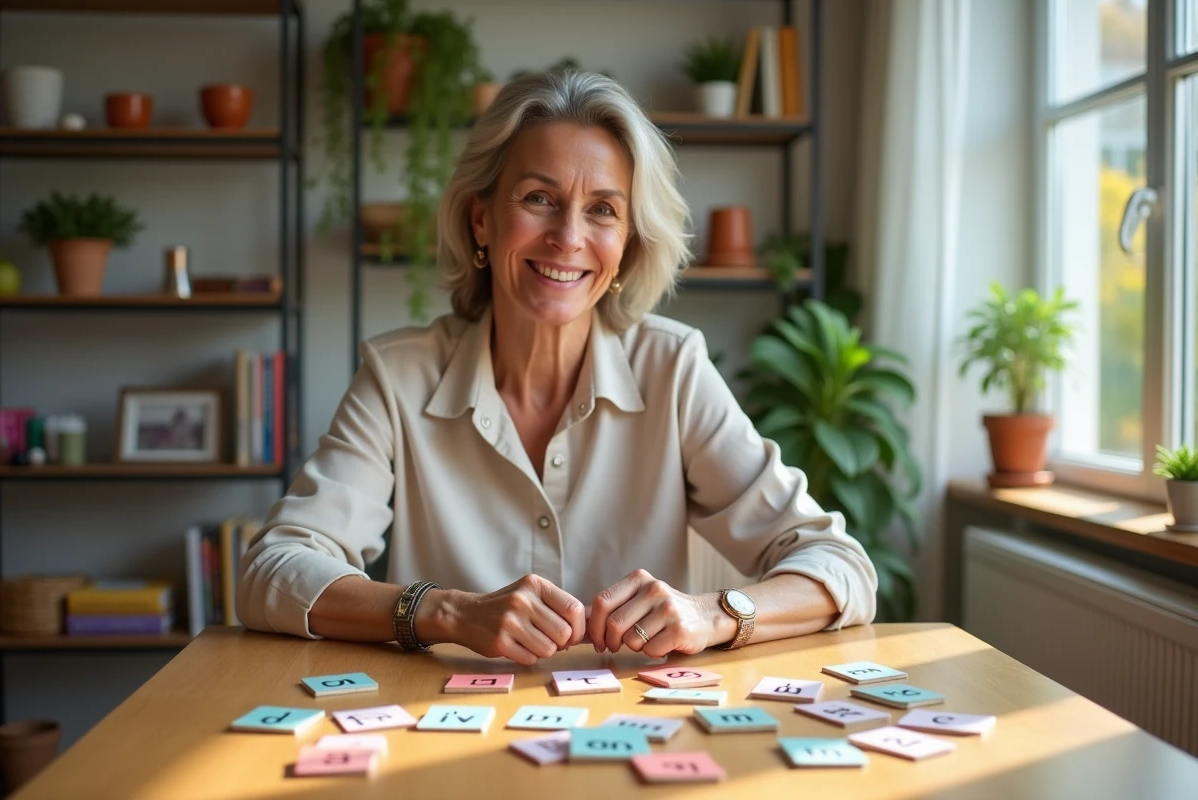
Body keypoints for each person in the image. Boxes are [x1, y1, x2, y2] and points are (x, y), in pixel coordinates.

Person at [239, 70, 877, 665]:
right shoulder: (396, 376)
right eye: (539, 198)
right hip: (445, 733)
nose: (568, 237)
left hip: (642, 738)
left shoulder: (674, 368)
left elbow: (840, 566)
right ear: (481, 219)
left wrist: (711, 614)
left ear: (626, 246)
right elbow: (273, 569)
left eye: (603, 209)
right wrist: (447, 611)